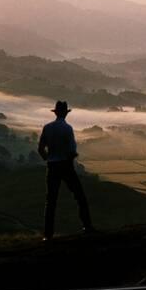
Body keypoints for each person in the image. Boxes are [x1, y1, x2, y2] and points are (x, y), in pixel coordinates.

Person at [38, 101, 94, 241]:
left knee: (51, 200)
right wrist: (69, 160)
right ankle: (87, 226)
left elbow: (40, 148)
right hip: (65, 165)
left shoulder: (47, 127)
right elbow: (72, 151)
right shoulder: (68, 128)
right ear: (65, 113)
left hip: (52, 166)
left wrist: (48, 158)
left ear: (56, 112)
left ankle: (48, 234)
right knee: (79, 196)